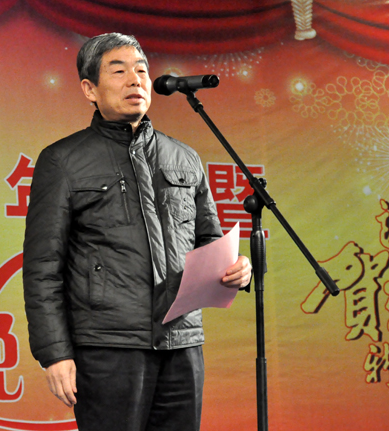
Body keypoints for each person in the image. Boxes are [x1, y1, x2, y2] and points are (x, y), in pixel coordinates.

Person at [23, 32, 252, 431]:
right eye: (119, 71)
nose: (135, 80)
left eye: (142, 70)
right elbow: (43, 268)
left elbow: (210, 241)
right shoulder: (63, 161)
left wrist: (239, 270)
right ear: (89, 89)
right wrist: (54, 353)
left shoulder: (184, 157)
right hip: (107, 346)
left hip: (182, 342)